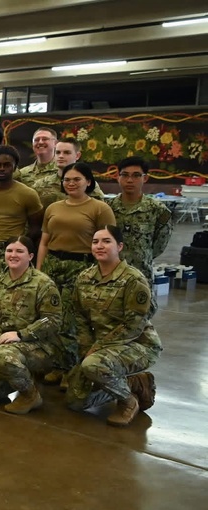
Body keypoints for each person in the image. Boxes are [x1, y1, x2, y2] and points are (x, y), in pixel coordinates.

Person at [65, 226, 160, 427]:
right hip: (100, 348)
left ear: (120, 246)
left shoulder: (133, 280)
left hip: (137, 345)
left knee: (93, 365)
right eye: (95, 242)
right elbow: (80, 318)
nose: (99, 246)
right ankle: (130, 383)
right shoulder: (84, 278)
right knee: (76, 401)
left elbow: (134, 325)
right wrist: (86, 348)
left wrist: (96, 350)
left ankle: (128, 401)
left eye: (106, 241)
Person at [37, 162, 116, 385]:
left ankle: (71, 369)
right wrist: (39, 271)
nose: (71, 183)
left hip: (81, 266)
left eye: (76, 179)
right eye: (67, 180)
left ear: (88, 182)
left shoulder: (100, 208)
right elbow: (44, 241)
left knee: (71, 321)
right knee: (51, 317)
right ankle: (57, 365)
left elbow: (108, 243)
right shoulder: (53, 207)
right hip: (53, 263)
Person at [0, 236, 61, 414]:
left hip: (40, 346)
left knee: (3, 357)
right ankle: (22, 376)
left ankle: (30, 395)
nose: (13, 255)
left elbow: (53, 320)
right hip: (4, 345)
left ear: (31, 256)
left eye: (20, 251)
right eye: (9, 250)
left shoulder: (43, 284)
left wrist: (21, 334)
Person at [0, 146, 43, 295]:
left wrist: (19, 248)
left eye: (7, 165)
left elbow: (36, 228)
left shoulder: (28, 194)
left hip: (13, 253)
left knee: (12, 296)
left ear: (15, 167)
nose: (2, 168)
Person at [108, 157, 172, 306]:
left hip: (142, 273)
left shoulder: (158, 210)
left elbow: (160, 244)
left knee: (140, 317)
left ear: (145, 178)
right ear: (118, 177)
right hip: (112, 273)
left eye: (136, 175)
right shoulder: (107, 208)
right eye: (125, 175)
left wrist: (142, 255)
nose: (130, 180)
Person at [19, 127, 62, 208]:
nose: (40, 142)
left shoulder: (63, 170)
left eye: (45, 139)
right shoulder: (22, 173)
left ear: (55, 143)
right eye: (36, 140)